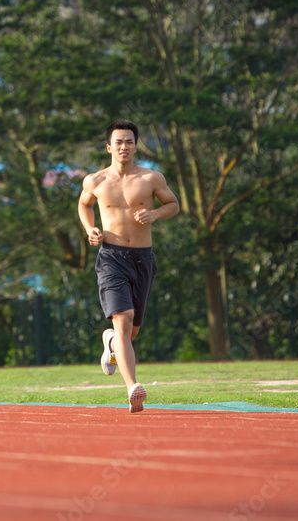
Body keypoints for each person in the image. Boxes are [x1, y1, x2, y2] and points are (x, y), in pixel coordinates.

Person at [77, 120, 179, 412]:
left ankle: (110, 343)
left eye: (129, 142)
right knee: (123, 319)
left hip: (143, 259)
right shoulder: (95, 181)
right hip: (111, 258)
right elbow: (84, 205)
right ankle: (132, 386)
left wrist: (155, 214)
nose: (124, 147)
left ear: (136, 146)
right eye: (118, 142)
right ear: (109, 147)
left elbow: (173, 204)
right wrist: (90, 229)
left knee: (130, 331)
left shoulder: (151, 179)